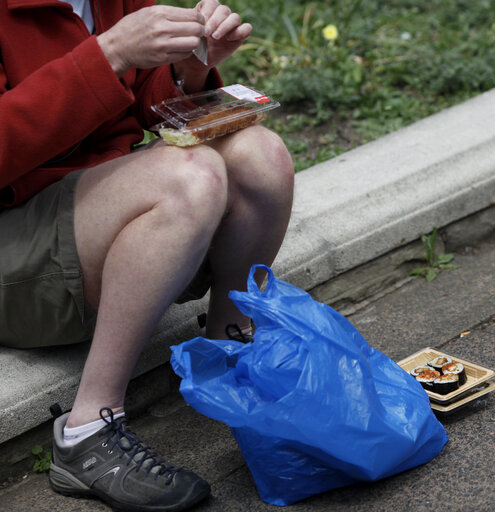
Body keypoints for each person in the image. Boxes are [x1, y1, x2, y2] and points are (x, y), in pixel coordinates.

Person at [0, 0, 294, 510]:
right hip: (13, 251)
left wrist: (193, 66)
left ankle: (230, 352)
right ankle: (87, 431)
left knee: (261, 156)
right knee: (190, 179)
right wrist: (108, 53)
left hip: (89, 209)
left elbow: (147, 109)